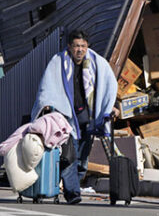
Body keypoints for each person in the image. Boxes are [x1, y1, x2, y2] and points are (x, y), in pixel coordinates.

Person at [31, 29, 117, 205]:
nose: (80, 50)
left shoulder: (97, 63)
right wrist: (46, 104)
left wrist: (109, 107)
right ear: (69, 46)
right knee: (70, 154)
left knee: (83, 159)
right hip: (66, 117)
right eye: (76, 46)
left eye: (83, 46)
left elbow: (108, 85)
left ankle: (73, 185)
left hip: (88, 116)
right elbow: (47, 86)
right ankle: (73, 193)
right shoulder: (58, 62)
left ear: (87, 47)